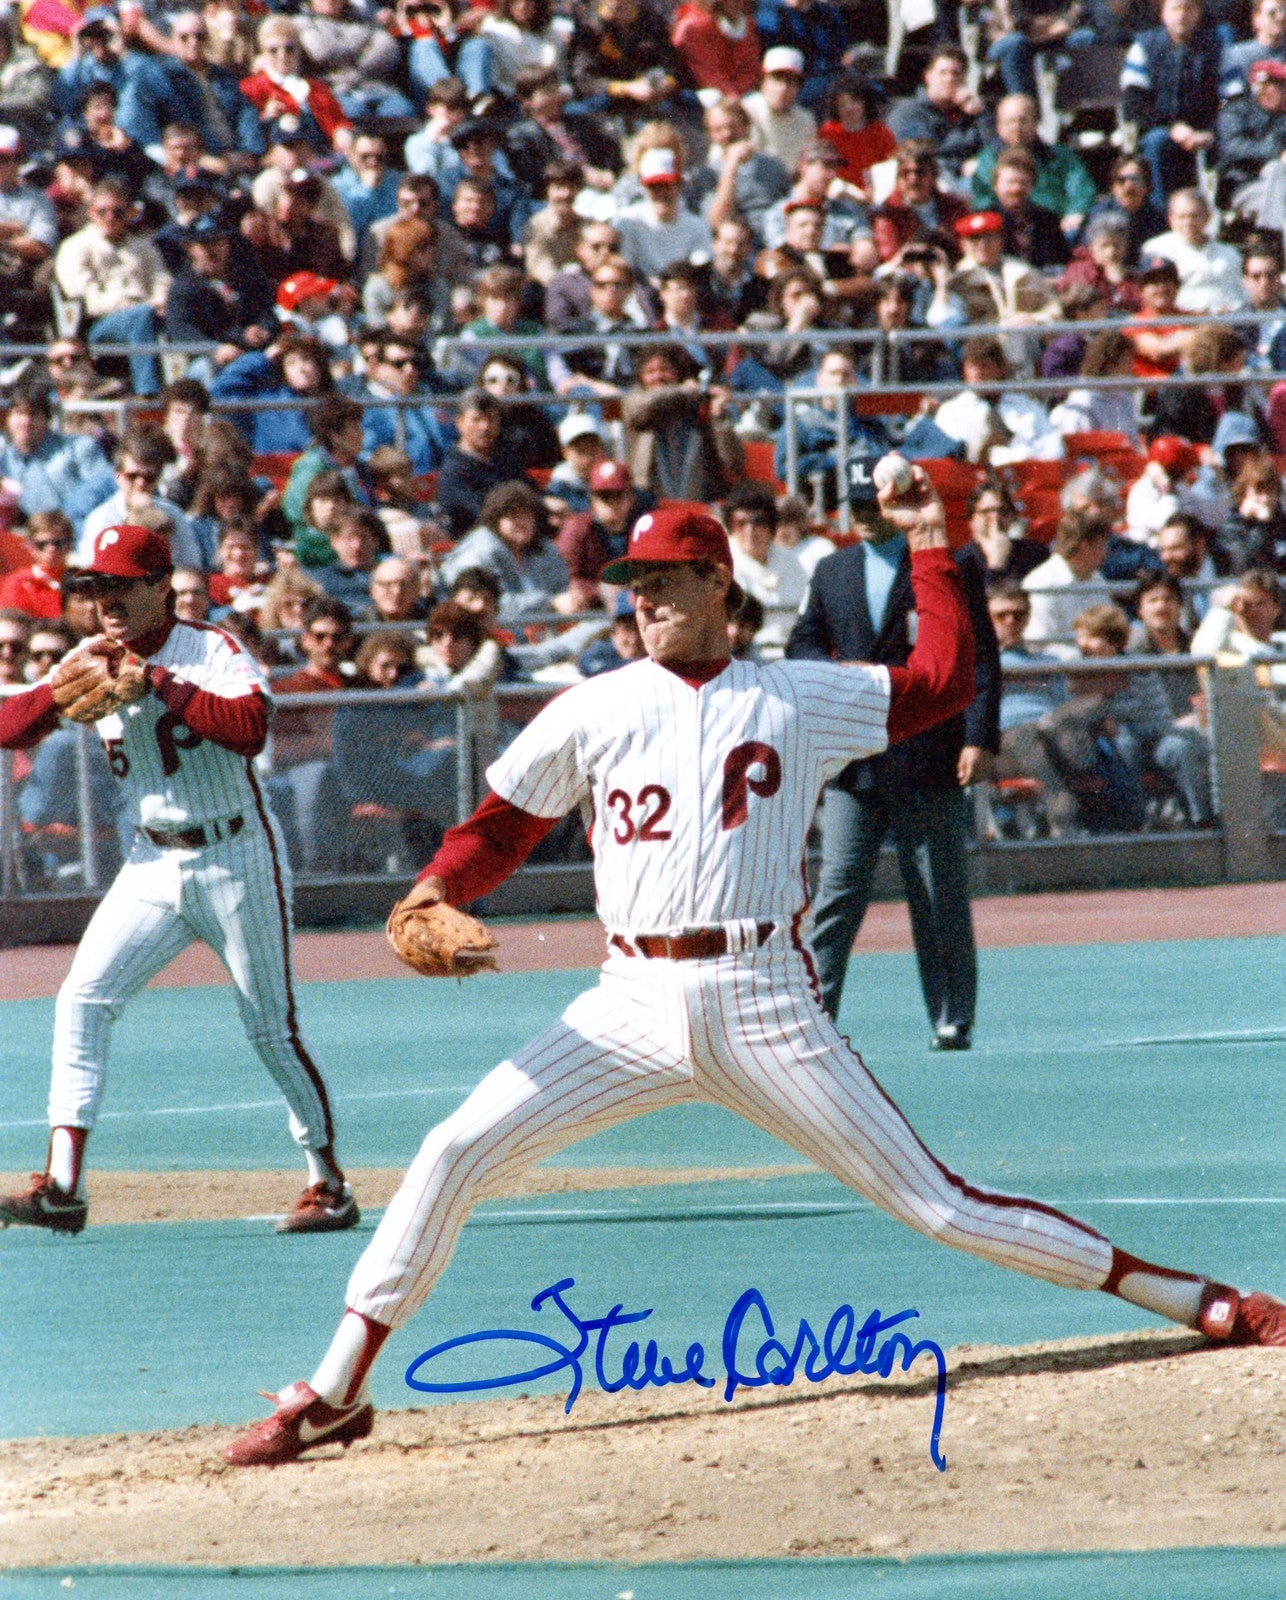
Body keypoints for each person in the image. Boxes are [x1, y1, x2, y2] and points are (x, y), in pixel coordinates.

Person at [223, 481, 1286, 1467]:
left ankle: (1200, 1300)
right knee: (451, 1151)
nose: (642, 599)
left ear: (718, 584)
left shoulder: (799, 693)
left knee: (940, 1207)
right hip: (626, 1004)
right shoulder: (593, 705)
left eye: (663, 580)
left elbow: (941, 682)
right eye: (632, 582)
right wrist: (435, 887)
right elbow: (499, 826)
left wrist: (928, 548)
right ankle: (336, 1390)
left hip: (763, 999)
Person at [0, 525, 358, 1237]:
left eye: (121, 586)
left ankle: (329, 1182)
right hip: (150, 864)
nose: (105, 600)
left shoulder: (211, 648)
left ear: (162, 587)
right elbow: (10, 727)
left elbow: (250, 728)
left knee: (270, 1028)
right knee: (81, 1000)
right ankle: (64, 1186)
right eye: (96, 587)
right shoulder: (90, 655)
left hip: (236, 855)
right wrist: (57, 698)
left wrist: (158, 682)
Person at [787, 474, 1000, 1047]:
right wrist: (835, 674)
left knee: (937, 892)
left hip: (929, 752)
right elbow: (802, 641)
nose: (862, 514)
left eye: (871, 504)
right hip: (855, 761)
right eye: (854, 505)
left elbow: (979, 654)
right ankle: (812, 1012)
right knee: (836, 892)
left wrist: (979, 736)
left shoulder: (948, 564)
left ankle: (952, 1015)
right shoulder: (831, 569)